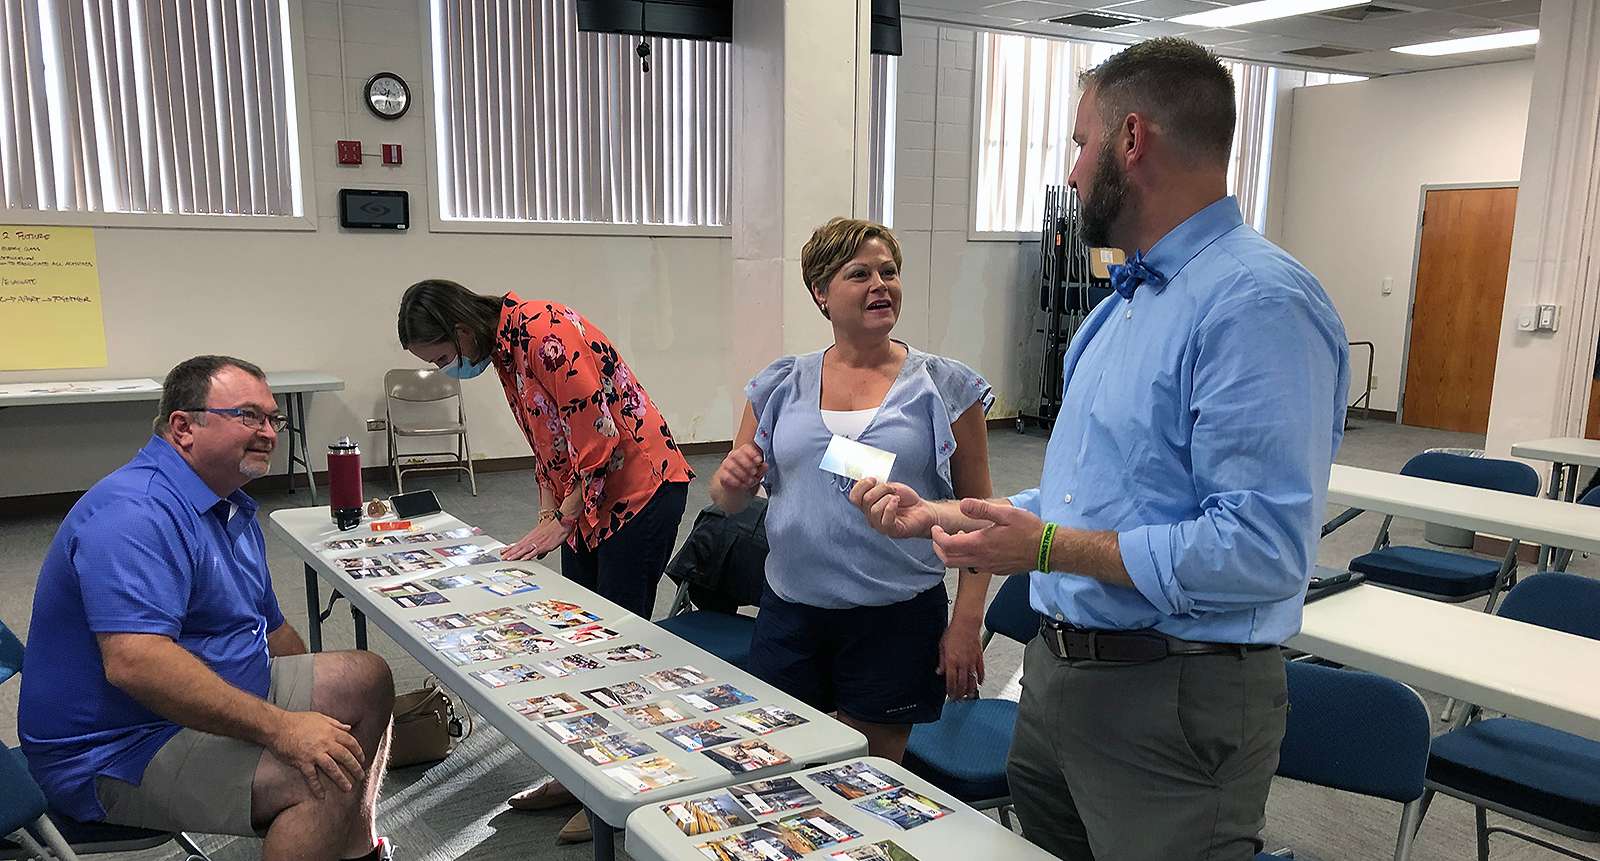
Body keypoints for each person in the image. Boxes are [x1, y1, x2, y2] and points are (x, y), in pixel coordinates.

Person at [850, 38, 1350, 860]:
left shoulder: (1257, 305)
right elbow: (1086, 499)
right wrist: (946, 512)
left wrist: (1045, 545)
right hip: (1062, 681)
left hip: (1173, 694)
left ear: (1131, 140)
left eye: (1081, 143)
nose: (1074, 171)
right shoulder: (1123, 305)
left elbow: (1260, 549)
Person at [19, 356, 396, 861]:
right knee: (321, 776)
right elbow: (137, 663)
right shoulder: (135, 514)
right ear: (183, 427)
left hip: (197, 699)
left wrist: (306, 714)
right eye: (247, 416)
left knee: (366, 677)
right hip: (119, 750)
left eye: (272, 419)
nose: (267, 432)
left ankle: (353, 850)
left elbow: (273, 629)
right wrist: (285, 730)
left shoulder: (226, 501)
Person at [397, 280, 693, 843]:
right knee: (579, 643)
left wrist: (562, 518)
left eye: (441, 358)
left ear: (461, 331)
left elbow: (598, 438)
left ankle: (614, 796)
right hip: (589, 501)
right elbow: (548, 441)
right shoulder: (506, 349)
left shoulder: (542, 331)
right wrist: (546, 513)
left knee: (618, 653)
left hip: (637, 493)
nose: (443, 371)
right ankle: (574, 775)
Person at [710, 217, 995, 762]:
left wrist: (965, 621)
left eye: (889, 272)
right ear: (821, 293)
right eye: (859, 274)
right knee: (778, 761)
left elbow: (978, 516)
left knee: (870, 774)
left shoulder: (946, 387)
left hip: (895, 616)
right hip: (791, 611)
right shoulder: (778, 385)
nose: (880, 285)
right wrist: (729, 483)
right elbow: (730, 501)